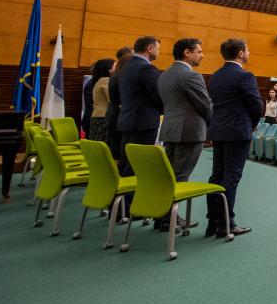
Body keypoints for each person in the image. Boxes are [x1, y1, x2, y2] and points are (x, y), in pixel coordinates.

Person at [205, 39, 262, 237]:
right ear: (240, 53)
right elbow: (256, 105)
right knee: (231, 176)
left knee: (217, 175)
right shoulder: (245, 76)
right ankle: (226, 223)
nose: (249, 53)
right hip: (237, 131)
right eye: (248, 50)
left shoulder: (215, 76)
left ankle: (213, 221)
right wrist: (251, 124)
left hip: (219, 130)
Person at [156, 38, 212, 232]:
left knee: (170, 174)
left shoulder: (164, 75)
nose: (202, 55)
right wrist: (211, 125)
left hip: (171, 129)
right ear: (187, 53)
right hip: (189, 131)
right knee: (181, 175)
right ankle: (169, 218)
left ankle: (162, 215)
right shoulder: (191, 76)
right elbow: (205, 105)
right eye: (199, 51)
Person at [116, 36, 164, 177]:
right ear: (149, 48)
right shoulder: (146, 68)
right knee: (138, 166)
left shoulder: (126, 66)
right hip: (143, 123)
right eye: (158, 48)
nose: (159, 52)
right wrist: (164, 110)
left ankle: (122, 191)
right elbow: (159, 94)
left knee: (126, 163)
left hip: (127, 120)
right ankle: (132, 191)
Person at [85, 58, 114, 142]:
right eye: (115, 66)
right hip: (103, 117)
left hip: (98, 116)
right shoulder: (106, 81)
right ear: (108, 69)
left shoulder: (98, 80)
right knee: (102, 143)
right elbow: (113, 99)